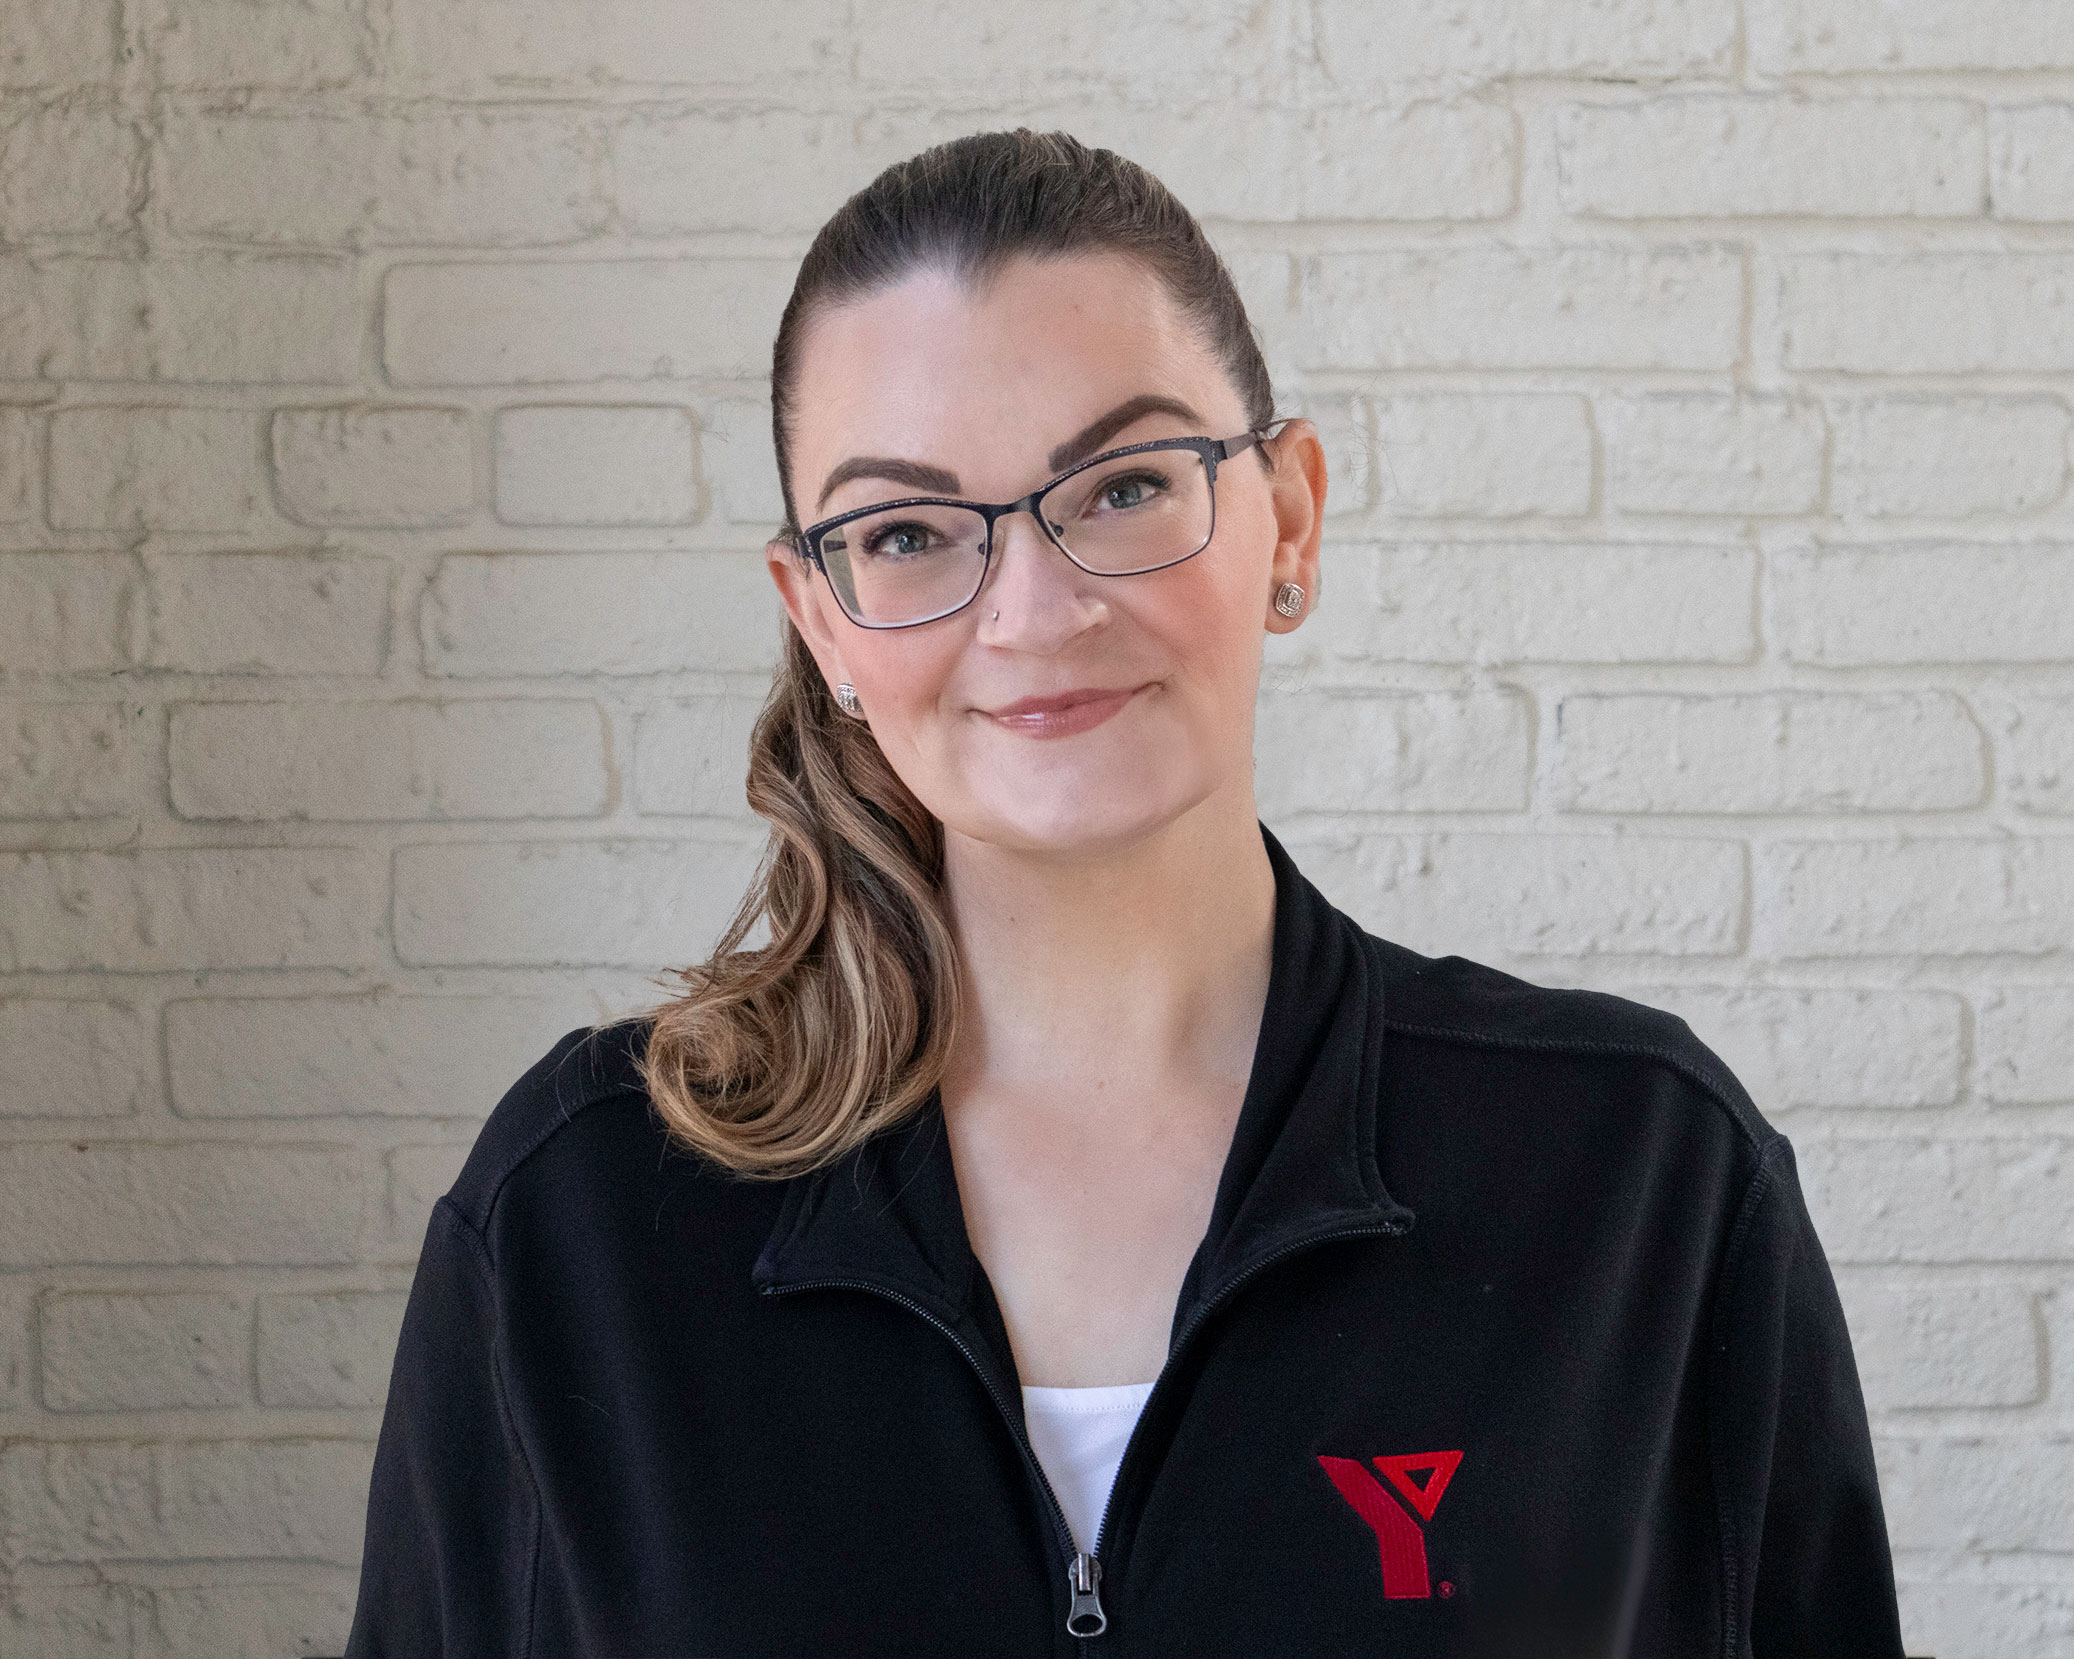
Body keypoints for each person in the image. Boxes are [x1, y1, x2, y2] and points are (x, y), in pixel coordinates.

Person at [342, 130, 1906, 1657]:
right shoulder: (584, 1219)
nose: (1034, 609)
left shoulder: (1635, 1179)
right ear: (818, 616)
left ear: (1285, 515)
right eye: (903, 531)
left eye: (1121, 489)